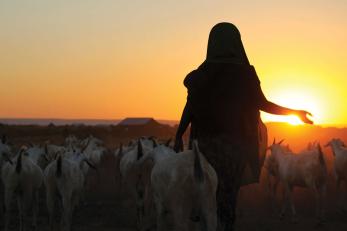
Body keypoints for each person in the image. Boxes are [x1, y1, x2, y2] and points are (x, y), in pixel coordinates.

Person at [174, 22, 313, 231]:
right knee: (228, 196)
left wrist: (179, 134)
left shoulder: (201, 74)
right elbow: (264, 105)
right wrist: (295, 113)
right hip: (234, 148)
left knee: (206, 194)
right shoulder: (245, 75)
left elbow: (190, 107)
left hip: (204, 147)